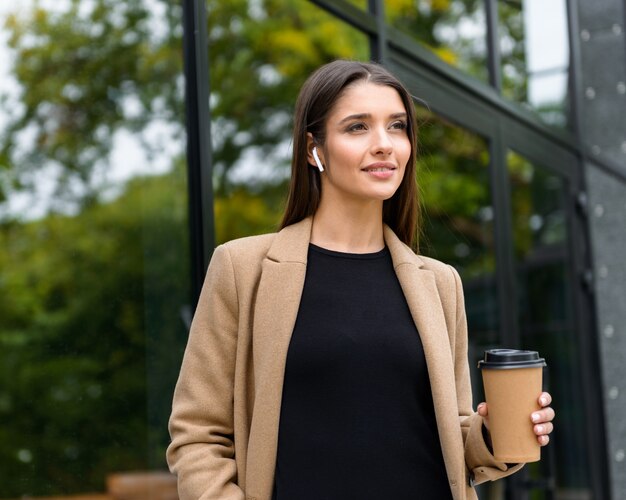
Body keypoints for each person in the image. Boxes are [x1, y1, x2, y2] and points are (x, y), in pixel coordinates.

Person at [166, 60, 555, 500]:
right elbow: (198, 434)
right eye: (357, 128)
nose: (384, 145)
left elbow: (455, 433)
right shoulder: (242, 268)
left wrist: (496, 432)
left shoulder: (440, 283)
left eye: (397, 127)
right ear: (314, 149)